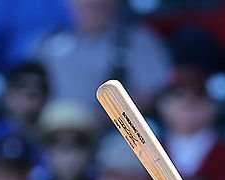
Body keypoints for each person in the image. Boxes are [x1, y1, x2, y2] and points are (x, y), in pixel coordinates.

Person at [34, 0, 172, 117]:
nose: (90, 9)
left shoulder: (139, 41)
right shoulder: (51, 44)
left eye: (97, 6)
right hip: (57, 131)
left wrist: (107, 118)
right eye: (83, 5)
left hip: (118, 133)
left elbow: (152, 91)